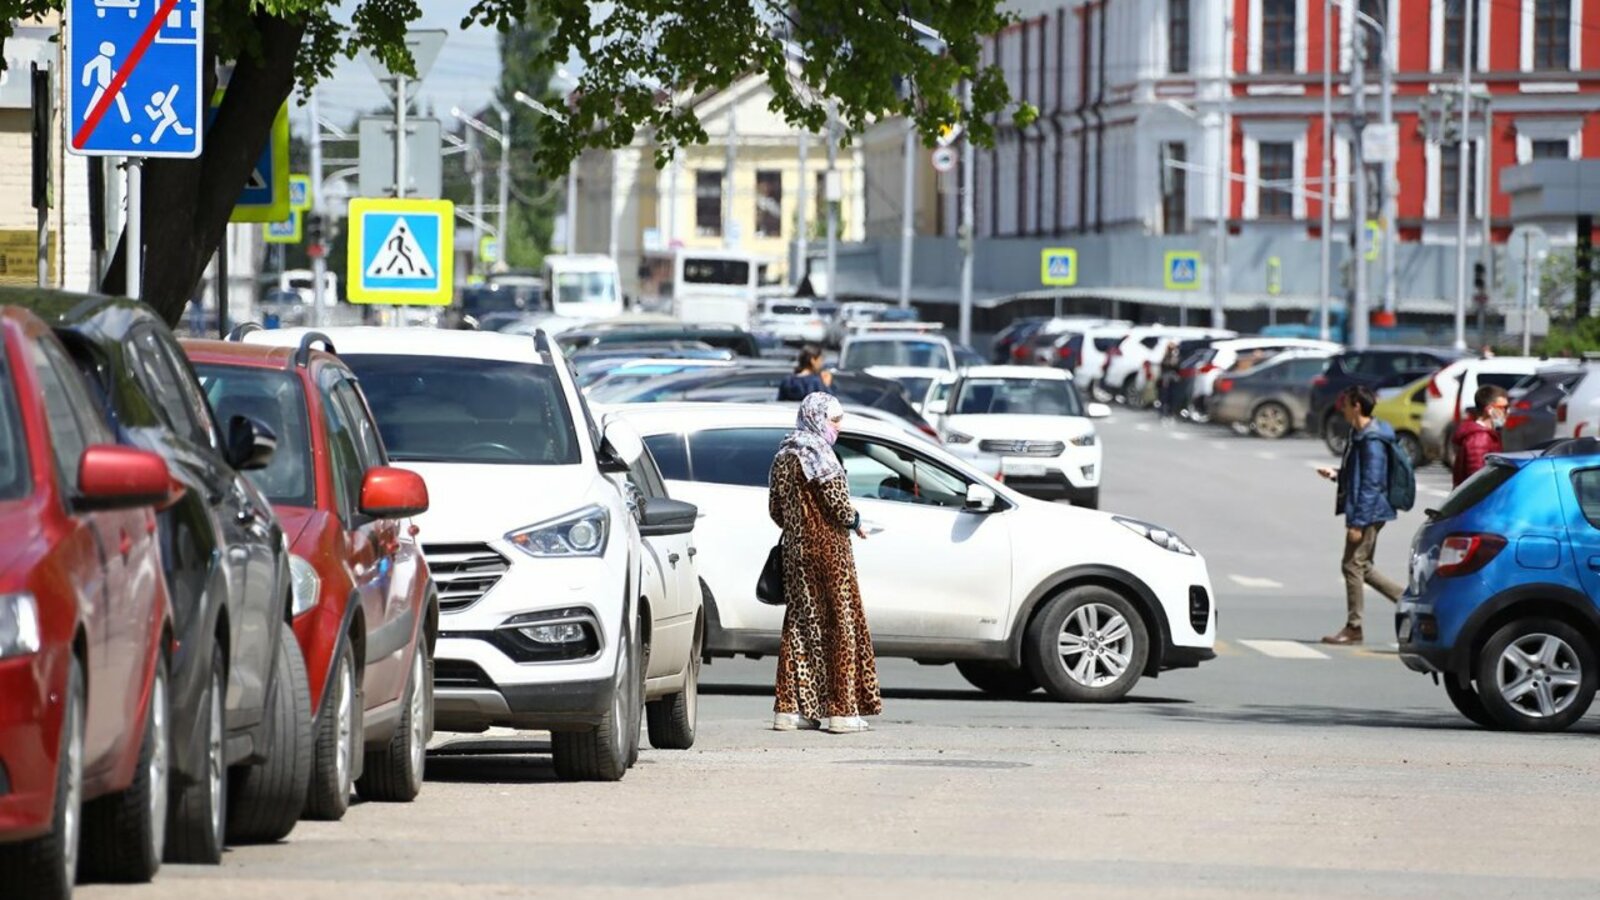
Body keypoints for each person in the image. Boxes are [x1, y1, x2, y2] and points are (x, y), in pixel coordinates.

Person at [767, 393, 882, 734]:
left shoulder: (784, 454)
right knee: (840, 623)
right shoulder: (820, 454)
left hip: (796, 553)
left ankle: (790, 710)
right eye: (835, 420)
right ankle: (842, 712)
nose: (839, 427)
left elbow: (775, 509)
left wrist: (799, 528)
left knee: (800, 627)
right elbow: (839, 506)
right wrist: (856, 521)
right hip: (830, 552)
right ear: (818, 418)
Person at [1316, 385, 1406, 645]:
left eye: (1345, 403)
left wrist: (1358, 522)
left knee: (1352, 565)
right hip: (1370, 509)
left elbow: (1371, 484)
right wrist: (1337, 474)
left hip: (1370, 511)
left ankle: (1354, 627)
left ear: (1356, 406)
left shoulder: (1372, 440)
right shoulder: (1362, 434)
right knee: (1362, 566)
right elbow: (1360, 475)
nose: (1342, 408)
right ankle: (1408, 600)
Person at [1451, 385, 1508, 487]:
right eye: (1503, 407)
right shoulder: (1480, 438)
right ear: (1489, 410)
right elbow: (1476, 478)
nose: (1506, 412)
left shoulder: (1487, 434)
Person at [1156, 343, 1182, 423]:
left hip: (1173, 380)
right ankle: (1163, 413)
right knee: (1164, 397)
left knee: (1172, 397)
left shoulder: (1176, 357)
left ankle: (1171, 413)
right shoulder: (1165, 357)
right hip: (1166, 380)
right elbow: (1163, 368)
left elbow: (1178, 368)